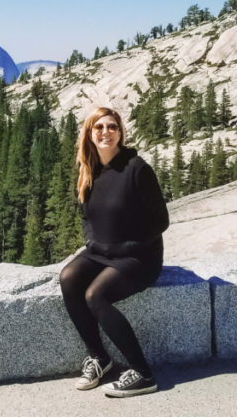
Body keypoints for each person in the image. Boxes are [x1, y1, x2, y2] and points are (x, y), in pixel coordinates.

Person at [59, 106, 169, 397]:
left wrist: (127, 246)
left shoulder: (137, 168)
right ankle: (100, 358)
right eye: (99, 127)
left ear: (120, 133)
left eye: (112, 127)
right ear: (90, 134)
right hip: (102, 252)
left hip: (139, 256)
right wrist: (91, 242)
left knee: (96, 295)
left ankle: (143, 374)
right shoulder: (89, 169)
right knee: (68, 278)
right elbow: (86, 217)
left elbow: (161, 221)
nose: (106, 132)